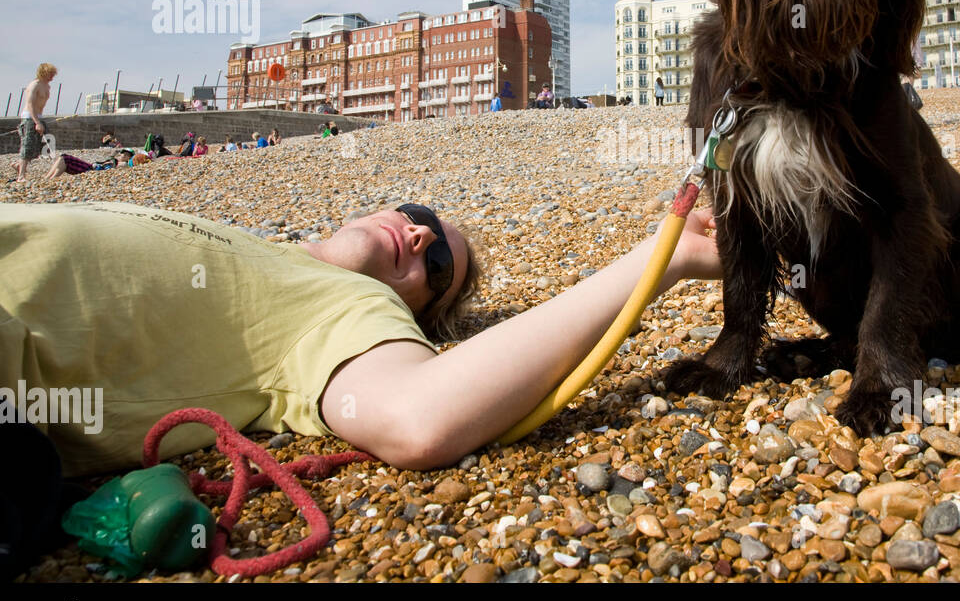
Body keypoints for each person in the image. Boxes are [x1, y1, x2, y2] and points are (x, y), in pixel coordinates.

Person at [0, 201, 720, 476]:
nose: (415, 232)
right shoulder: (265, 249)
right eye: (420, 214)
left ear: (417, 312)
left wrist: (661, 260)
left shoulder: (350, 310)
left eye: (435, 260)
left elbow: (419, 415)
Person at [13, 63, 57, 184]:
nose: (52, 77)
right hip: (29, 118)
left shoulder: (47, 86)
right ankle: (21, 176)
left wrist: (39, 120)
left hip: (39, 117)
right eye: (50, 74)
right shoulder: (34, 85)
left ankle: (18, 165)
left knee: (42, 146)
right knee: (27, 146)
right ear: (44, 72)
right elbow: (31, 105)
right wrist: (37, 122)